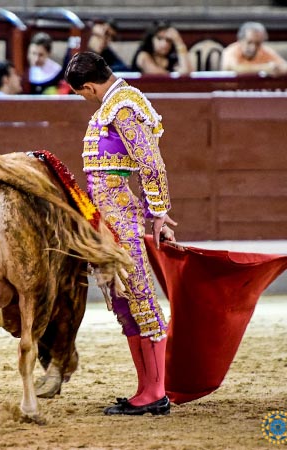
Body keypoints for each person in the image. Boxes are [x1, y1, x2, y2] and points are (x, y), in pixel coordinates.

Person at [64, 51, 177, 416]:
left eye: (82, 93)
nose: (84, 99)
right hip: (108, 222)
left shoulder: (124, 107)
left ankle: (157, 392)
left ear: (91, 85)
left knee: (140, 298)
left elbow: (151, 163)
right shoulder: (113, 105)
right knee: (125, 302)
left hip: (122, 221)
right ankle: (145, 388)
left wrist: (157, 213)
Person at [220, 22, 287, 76]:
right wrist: (264, 68)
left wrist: (276, 69)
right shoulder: (231, 51)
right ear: (240, 40)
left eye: (257, 43)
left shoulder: (264, 51)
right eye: (249, 42)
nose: (253, 47)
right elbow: (230, 67)